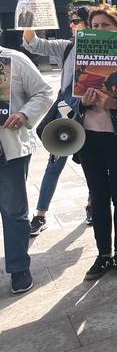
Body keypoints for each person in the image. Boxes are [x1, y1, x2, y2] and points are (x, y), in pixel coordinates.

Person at [66, 5, 117, 280]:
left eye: (106, 25)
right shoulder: (82, 55)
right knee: (98, 196)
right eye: (95, 26)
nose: (100, 30)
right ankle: (103, 255)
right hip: (90, 136)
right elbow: (68, 95)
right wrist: (81, 101)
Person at [22, 5, 93, 234]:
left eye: (76, 21)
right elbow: (35, 44)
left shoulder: (107, 48)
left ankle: (93, 205)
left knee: (93, 165)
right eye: (70, 21)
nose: (71, 25)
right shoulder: (67, 47)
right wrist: (28, 20)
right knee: (55, 164)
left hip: (94, 115)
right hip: (66, 114)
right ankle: (41, 214)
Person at [0, 34, 53, 293]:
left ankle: (19, 268)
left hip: (8, 151)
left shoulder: (15, 60)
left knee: (13, 212)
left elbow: (44, 92)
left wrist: (24, 113)